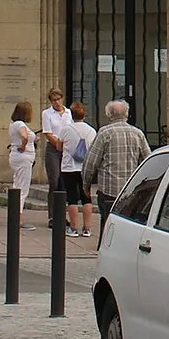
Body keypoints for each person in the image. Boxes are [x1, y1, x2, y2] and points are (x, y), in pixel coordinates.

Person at [84, 100, 152, 239]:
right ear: (126, 114)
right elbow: (148, 160)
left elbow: (91, 163)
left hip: (109, 189)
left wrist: (86, 184)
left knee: (108, 222)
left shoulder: (105, 133)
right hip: (131, 189)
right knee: (129, 223)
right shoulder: (137, 133)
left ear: (109, 114)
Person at [59, 101, 99, 237]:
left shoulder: (66, 129)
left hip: (69, 167)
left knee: (72, 198)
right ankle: (87, 228)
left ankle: (73, 228)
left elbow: (59, 146)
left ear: (72, 114)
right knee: (86, 198)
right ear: (84, 114)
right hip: (85, 167)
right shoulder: (91, 130)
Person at [7, 100, 39, 230]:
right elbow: (24, 136)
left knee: (17, 186)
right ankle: (17, 219)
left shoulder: (14, 124)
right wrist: (24, 146)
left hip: (18, 157)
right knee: (22, 189)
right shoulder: (20, 124)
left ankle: (15, 216)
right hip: (23, 157)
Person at [39, 88, 72, 196]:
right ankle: (53, 211)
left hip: (67, 147)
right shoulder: (47, 114)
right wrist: (59, 145)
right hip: (53, 148)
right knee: (54, 180)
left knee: (64, 180)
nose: (57, 102)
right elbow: (48, 133)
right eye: (54, 100)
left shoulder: (69, 112)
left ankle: (61, 209)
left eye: (58, 99)